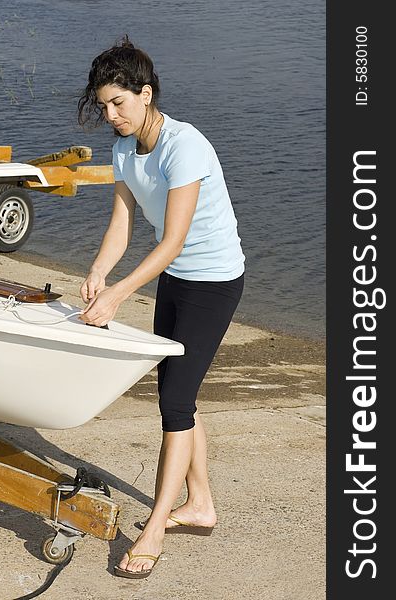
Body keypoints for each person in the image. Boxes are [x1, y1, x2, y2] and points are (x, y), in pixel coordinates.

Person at [77, 36, 245, 579]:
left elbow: (173, 238)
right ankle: (199, 504)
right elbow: (122, 225)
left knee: (175, 401)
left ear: (145, 94)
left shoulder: (185, 146)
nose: (111, 115)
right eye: (103, 105)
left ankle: (153, 531)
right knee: (178, 394)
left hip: (215, 282)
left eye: (118, 103)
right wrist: (100, 270)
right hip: (174, 280)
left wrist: (119, 294)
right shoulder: (123, 149)